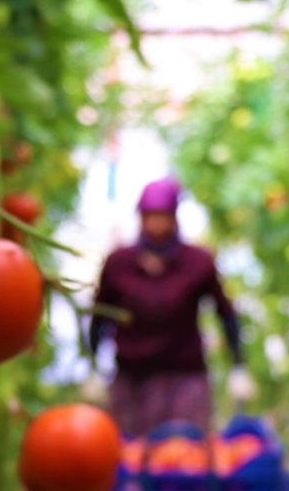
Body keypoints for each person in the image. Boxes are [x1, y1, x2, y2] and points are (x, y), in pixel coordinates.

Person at [88, 176, 255, 437]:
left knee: (182, 456)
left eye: (161, 216)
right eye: (149, 216)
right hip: (132, 380)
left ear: (174, 217)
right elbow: (100, 316)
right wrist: (92, 366)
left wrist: (238, 365)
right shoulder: (119, 262)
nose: (155, 223)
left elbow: (225, 313)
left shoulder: (197, 262)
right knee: (131, 458)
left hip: (184, 378)